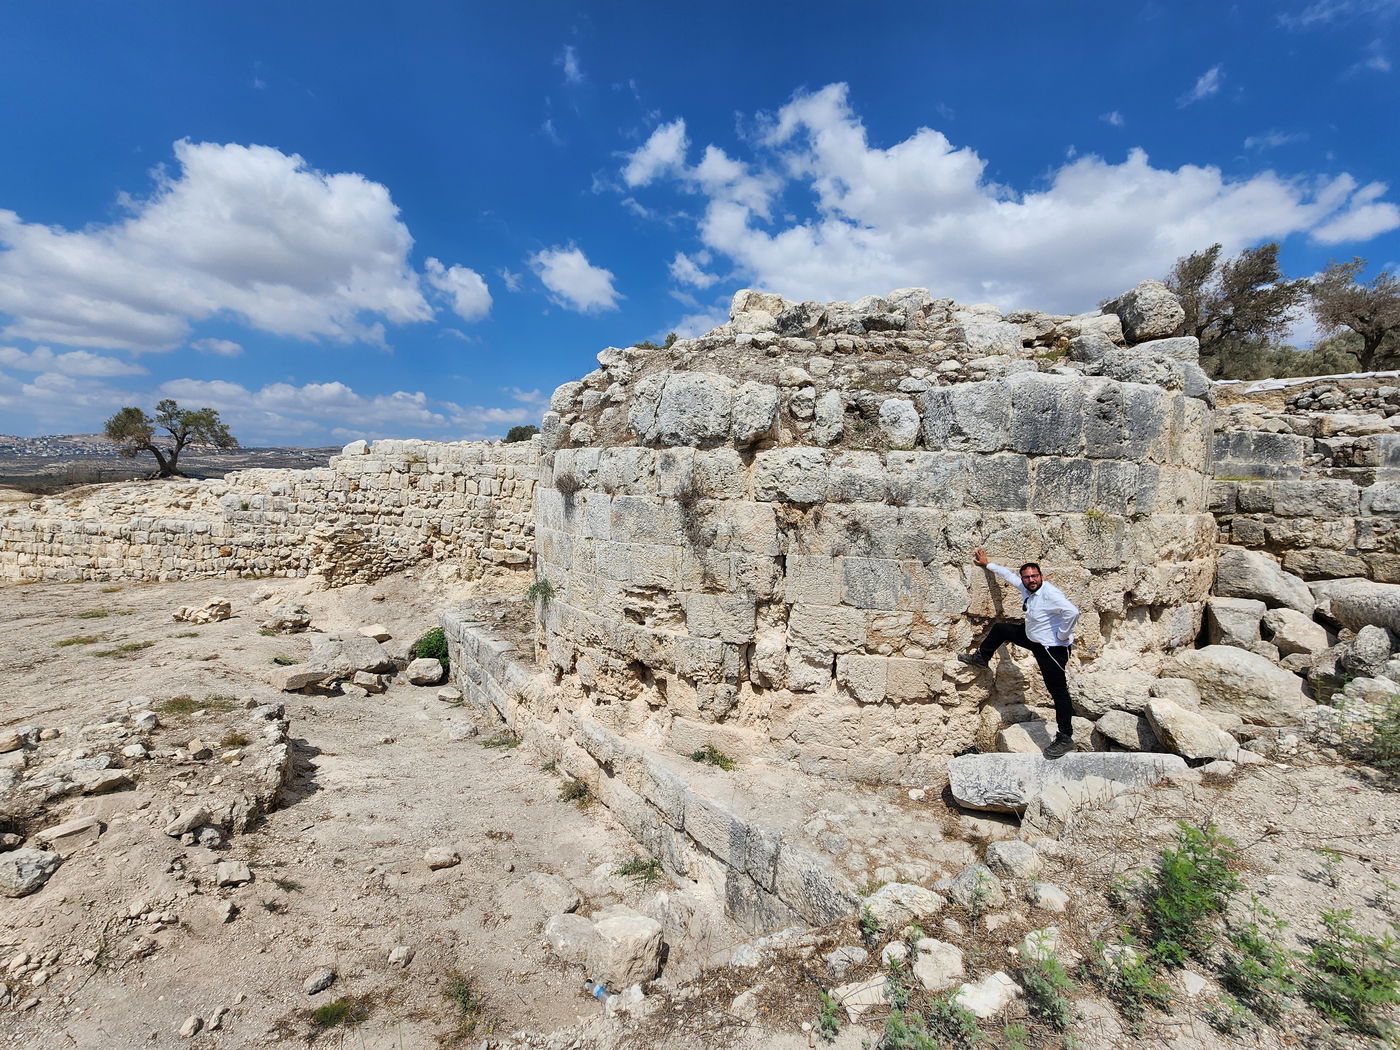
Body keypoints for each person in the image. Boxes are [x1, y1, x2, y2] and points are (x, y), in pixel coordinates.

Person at [959, 548, 1081, 759]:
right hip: (1034, 639)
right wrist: (988, 564)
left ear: (1041, 576)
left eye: (1034, 576)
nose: (1031, 580)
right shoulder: (1028, 589)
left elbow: (1072, 612)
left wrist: (1062, 635)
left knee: (1058, 692)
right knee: (1001, 629)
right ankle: (981, 658)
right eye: (1027, 577)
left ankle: (1065, 737)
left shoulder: (1050, 594)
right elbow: (1009, 577)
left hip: (1051, 649)